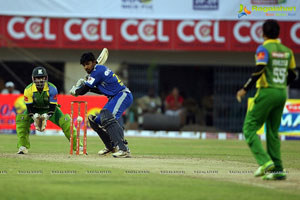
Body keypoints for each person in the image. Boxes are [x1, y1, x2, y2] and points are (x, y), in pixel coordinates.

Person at [236, 20, 297, 180]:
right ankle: (278, 170)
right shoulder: (288, 51)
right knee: (272, 132)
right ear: (278, 33)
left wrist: (244, 89)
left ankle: (265, 162)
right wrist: (280, 85)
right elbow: (293, 75)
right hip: (281, 93)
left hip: (267, 92)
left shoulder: (263, 48)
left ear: (262, 33)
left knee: (249, 128)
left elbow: (259, 69)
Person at [70, 52, 133, 158]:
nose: (86, 67)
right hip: (113, 97)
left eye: (88, 64)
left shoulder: (98, 71)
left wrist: (76, 91)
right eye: (84, 65)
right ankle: (111, 146)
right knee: (94, 120)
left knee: (107, 116)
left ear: (94, 62)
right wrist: (85, 86)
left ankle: (123, 149)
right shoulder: (96, 72)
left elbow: (83, 91)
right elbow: (99, 90)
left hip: (123, 95)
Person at [16, 66, 82, 154]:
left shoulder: (52, 88)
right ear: (33, 78)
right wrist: (34, 117)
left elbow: (52, 107)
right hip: (34, 110)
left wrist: (46, 117)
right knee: (22, 121)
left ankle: (78, 146)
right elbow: (29, 108)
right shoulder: (28, 90)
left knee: (66, 122)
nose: (40, 80)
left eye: (42, 78)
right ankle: (22, 147)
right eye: (37, 78)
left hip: (49, 110)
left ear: (46, 78)